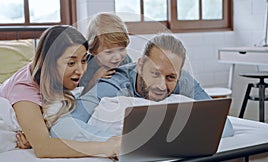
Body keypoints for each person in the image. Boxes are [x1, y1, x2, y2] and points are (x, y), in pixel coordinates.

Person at [50, 33, 234, 141]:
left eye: (170, 77)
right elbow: (62, 128)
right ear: (140, 65)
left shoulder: (182, 80)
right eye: (154, 73)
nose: (161, 86)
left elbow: (223, 125)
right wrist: (120, 142)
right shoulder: (113, 84)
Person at [0, 25, 120, 158]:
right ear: (49, 62)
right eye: (71, 63)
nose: (80, 70)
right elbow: (44, 148)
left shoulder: (52, 75)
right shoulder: (24, 91)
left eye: (83, 60)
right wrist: (104, 147)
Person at [79, 12, 133, 95]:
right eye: (109, 52)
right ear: (93, 51)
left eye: (121, 49)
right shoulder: (87, 66)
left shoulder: (125, 60)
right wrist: (94, 79)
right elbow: (82, 95)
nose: (117, 57)